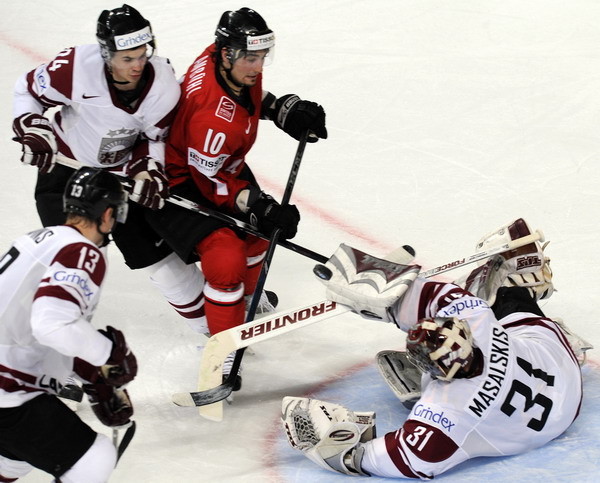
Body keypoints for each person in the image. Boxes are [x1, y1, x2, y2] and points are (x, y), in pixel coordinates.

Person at [282, 218, 590, 479]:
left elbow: (408, 461)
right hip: (563, 375)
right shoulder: (477, 319)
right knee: (504, 296)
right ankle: (527, 274)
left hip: (542, 419)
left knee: (477, 287)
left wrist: (340, 451)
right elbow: (437, 296)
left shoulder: (449, 411)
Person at [145, 8, 328, 386]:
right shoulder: (211, 115)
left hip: (216, 164)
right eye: (251, 57)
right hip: (183, 183)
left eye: (263, 56)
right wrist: (256, 205)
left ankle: (247, 304)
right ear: (227, 54)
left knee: (259, 234)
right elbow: (210, 182)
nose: (258, 66)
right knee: (226, 261)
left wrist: (280, 109)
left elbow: (247, 99)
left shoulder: (224, 60)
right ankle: (222, 352)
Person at [11, 4, 208, 336]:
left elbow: (153, 137)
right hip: (65, 173)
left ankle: (216, 325)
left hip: (120, 176)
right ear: (106, 54)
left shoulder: (162, 85)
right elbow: (27, 91)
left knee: (157, 260)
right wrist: (33, 128)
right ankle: (65, 349)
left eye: (142, 54)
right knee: (74, 262)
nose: (137, 65)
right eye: (127, 58)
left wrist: (148, 169)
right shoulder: (73, 68)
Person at [0, 168, 137, 483]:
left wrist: (88, 374)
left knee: (17, 457)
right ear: (106, 213)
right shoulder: (81, 251)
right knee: (94, 459)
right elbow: (51, 323)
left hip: (7, 383)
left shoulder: (41, 239)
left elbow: (30, 327)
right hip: (7, 390)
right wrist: (108, 355)